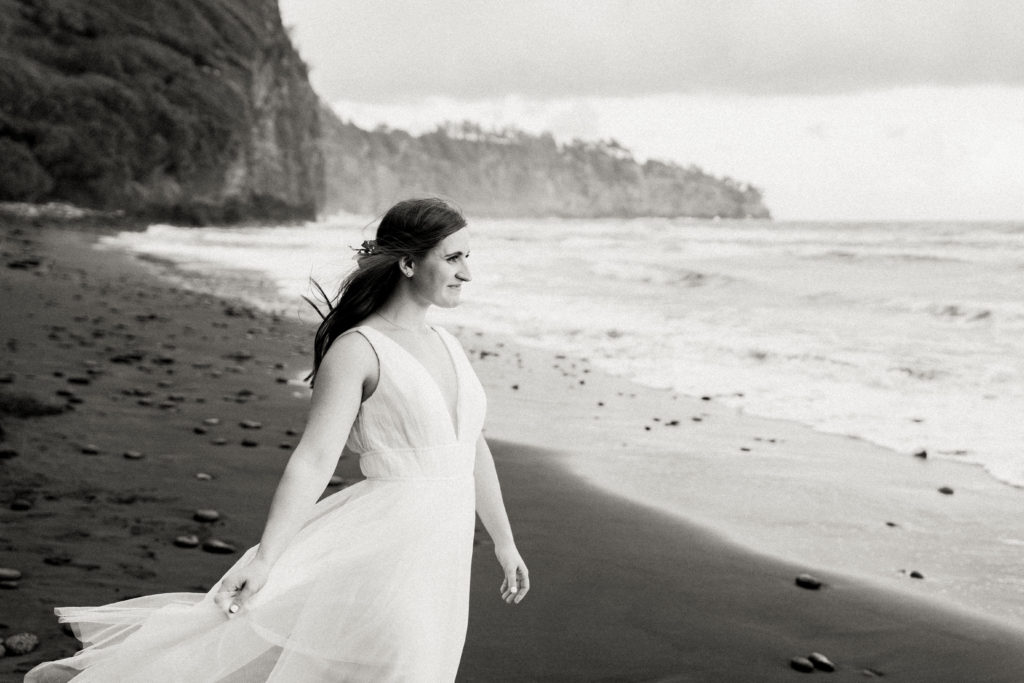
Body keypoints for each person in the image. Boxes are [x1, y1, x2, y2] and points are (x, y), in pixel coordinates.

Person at [25, 197, 529, 682]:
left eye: (468, 257)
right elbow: (312, 459)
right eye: (454, 257)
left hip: (442, 553)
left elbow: (471, 448)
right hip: (385, 547)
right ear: (408, 264)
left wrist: (504, 543)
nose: (468, 272)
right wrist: (266, 558)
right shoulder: (359, 350)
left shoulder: (448, 344)